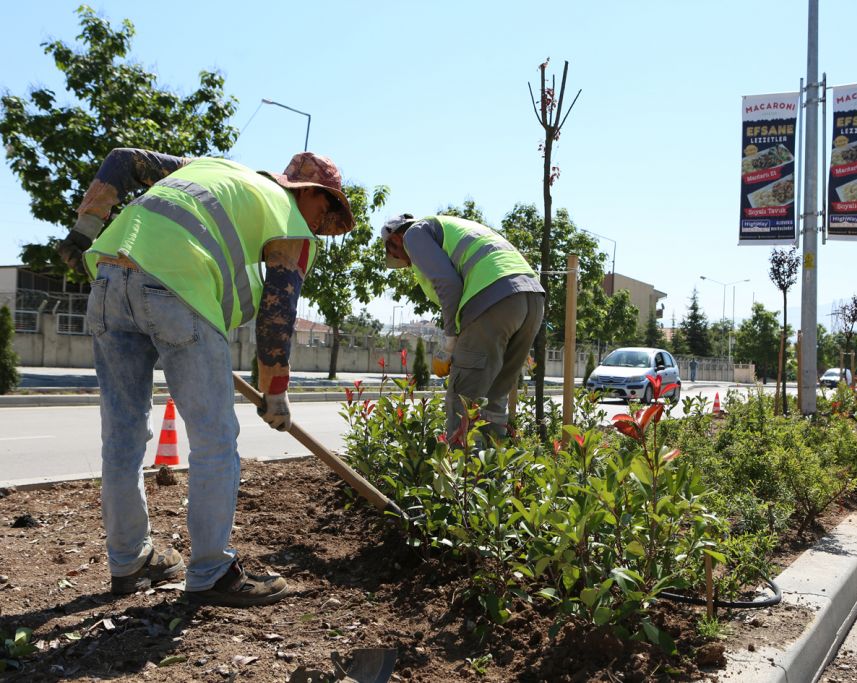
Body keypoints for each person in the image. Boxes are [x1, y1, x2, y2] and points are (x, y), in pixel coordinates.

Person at [57, 148, 354, 607]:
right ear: (309, 193)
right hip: (179, 285)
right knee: (215, 438)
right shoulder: (290, 222)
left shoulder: (213, 168)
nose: (322, 223)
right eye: (326, 207)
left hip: (109, 278)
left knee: (122, 436)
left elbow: (121, 160)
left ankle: (129, 560)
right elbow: (277, 317)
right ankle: (212, 572)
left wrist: (83, 231)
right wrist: (276, 393)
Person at [380, 213, 545, 441]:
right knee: (495, 398)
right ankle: (494, 461)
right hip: (532, 299)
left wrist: (449, 345)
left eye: (397, 256)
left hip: (493, 299)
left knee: (462, 402)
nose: (407, 263)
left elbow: (449, 285)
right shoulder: (457, 227)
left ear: (395, 239)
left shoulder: (414, 234)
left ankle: (463, 463)